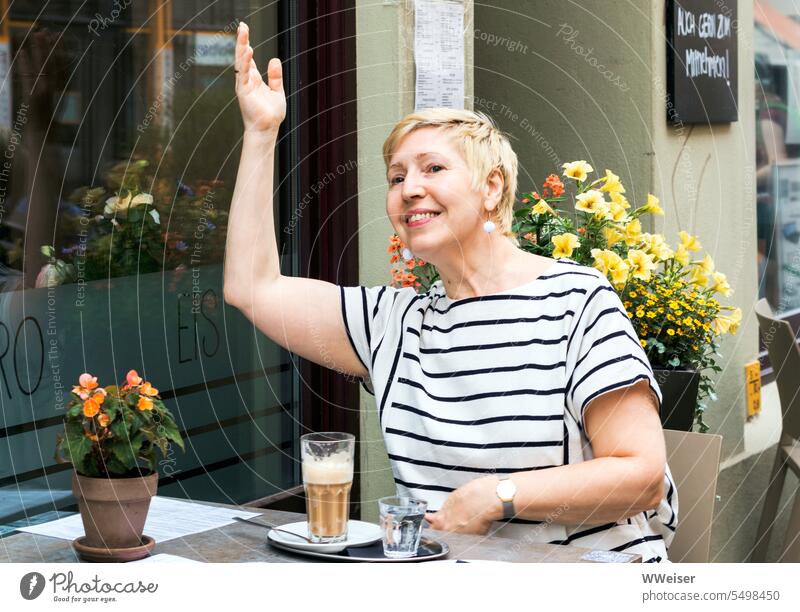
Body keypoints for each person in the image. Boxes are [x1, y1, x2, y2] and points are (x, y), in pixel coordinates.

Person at [225, 22, 677, 563]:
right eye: (396, 177)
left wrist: (496, 497)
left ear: (491, 188)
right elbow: (252, 288)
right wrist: (259, 133)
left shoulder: (575, 301)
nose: (409, 187)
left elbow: (642, 475)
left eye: (433, 168)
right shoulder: (391, 324)